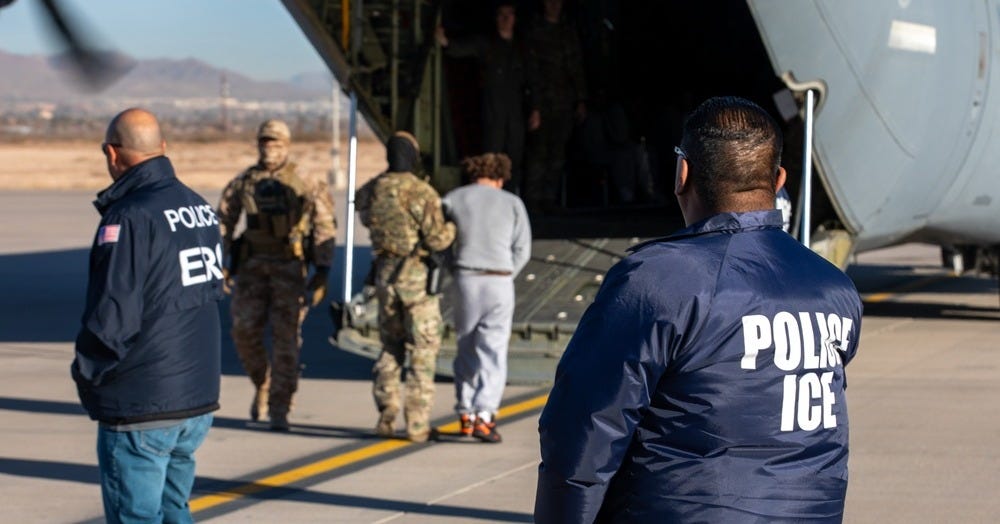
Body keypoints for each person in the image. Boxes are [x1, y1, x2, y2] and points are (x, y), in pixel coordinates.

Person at [534, 96, 864, 522]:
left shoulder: (659, 279)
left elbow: (585, 427)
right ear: (779, 179)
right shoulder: (834, 288)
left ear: (682, 174)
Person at [71, 108, 223, 523]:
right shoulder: (199, 207)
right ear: (162, 147)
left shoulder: (130, 216)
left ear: (112, 152)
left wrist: (88, 375)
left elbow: (112, 315)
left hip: (142, 402)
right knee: (175, 511)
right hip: (194, 397)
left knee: (136, 516)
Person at [216, 119, 337, 431]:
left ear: (287, 145)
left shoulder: (305, 180)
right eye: (265, 142)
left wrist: (322, 270)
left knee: (286, 342)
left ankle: (280, 408)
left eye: (276, 143)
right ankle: (262, 382)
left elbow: (325, 224)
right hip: (252, 268)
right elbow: (224, 221)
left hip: (289, 269)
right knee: (243, 332)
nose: (270, 148)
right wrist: (220, 262)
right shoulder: (245, 181)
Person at [355, 131, 456, 442]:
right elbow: (437, 239)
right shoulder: (421, 192)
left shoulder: (372, 189)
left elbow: (365, 217)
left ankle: (385, 415)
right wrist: (452, 227)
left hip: (385, 274)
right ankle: (417, 423)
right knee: (423, 349)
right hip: (416, 279)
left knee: (390, 346)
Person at [441, 152, 532, 443]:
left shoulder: (453, 199)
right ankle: (485, 414)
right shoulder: (512, 202)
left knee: (465, 345)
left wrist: (453, 267)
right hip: (499, 280)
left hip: (465, 279)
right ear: (500, 177)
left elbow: (439, 242)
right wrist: (507, 273)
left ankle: (465, 412)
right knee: (493, 350)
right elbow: (523, 249)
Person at [436, 1, 540, 195]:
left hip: (515, 113)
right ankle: (490, 198)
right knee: (491, 158)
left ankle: (510, 197)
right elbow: (462, 48)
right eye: (502, 14)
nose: (506, 19)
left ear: (515, 19)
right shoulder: (487, 44)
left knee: (514, 158)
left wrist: (535, 109)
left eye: (509, 15)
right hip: (494, 112)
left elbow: (532, 79)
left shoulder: (522, 47)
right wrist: (445, 41)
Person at [523, 0, 588, 212]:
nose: (554, 5)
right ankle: (533, 199)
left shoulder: (567, 31)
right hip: (542, 102)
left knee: (557, 152)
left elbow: (576, 66)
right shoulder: (535, 30)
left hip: (564, 101)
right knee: (538, 152)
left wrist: (581, 99)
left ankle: (549, 198)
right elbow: (531, 70)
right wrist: (534, 105)